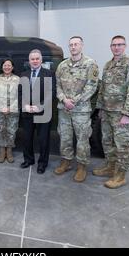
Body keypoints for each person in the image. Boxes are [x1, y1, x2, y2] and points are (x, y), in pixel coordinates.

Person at [93, 35, 129, 189]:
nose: (117, 47)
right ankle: (110, 166)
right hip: (107, 111)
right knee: (107, 142)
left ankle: (121, 175)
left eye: (120, 44)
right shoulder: (108, 65)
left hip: (121, 113)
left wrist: (127, 114)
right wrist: (100, 107)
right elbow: (103, 88)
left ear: (125, 46)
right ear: (111, 47)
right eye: (114, 45)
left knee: (123, 145)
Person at [54, 36, 99, 182]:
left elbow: (92, 86)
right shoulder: (62, 65)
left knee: (82, 138)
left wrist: (74, 101)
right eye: (71, 45)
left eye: (76, 44)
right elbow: (58, 85)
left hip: (81, 109)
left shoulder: (90, 64)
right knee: (65, 137)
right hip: (64, 108)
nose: (73, 47)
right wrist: (64, 99)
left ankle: (81, 166)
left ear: (82, 46)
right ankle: (66, 161)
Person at [19, 49, 56, 174]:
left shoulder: (49, 74)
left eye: (37, 59)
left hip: (43, 113)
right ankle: (28, 160)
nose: (34, 61)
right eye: (32, 59)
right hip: (27, 113)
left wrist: (40, 106)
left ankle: (42, 163)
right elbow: (19, 93)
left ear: (41, 60)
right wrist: (24, 106)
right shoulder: (23, 74)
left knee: (43, 140)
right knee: (27, 138)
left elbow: (52, 93)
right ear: (29, 61)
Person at [0, 59, 20, 163]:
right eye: (5, 65)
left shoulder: (18, 79)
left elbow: (20, 96)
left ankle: (9, 150)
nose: (7, 67)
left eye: (9, 65)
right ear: (2, 67)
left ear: (12, 67)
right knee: (0, 130)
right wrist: (1, 108)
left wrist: (10, 108)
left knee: (12, 131)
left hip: (13, 111)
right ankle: (2, 151)